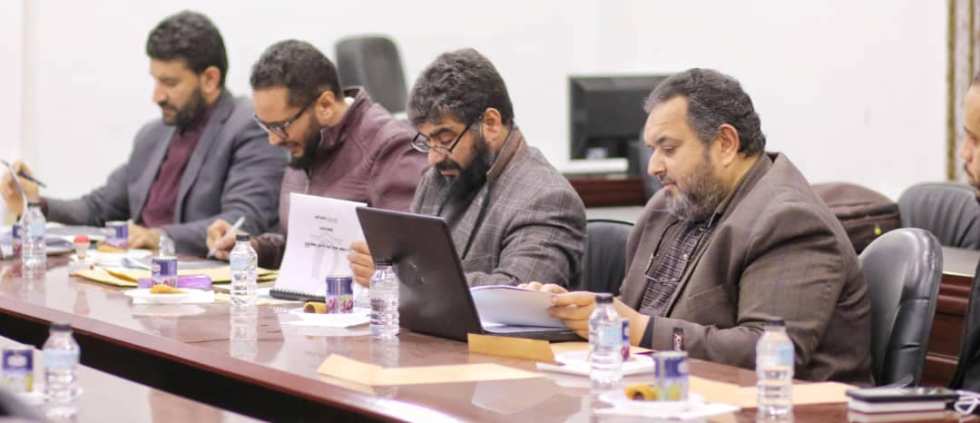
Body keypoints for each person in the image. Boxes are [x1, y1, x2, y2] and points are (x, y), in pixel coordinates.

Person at [526, 68, 871, 384]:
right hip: (668, 395)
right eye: (652, 150)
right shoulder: (667, 207)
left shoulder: (789, 221)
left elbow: (769, 349)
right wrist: (574, 311)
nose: (653, 167)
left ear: (725, 144)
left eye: (668, 149)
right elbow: (632, 313)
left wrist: (639, 328)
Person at [0, 11, 285, 255]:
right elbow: (99, 208)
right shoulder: (154, 134)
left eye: (169, 83)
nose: (157, 96)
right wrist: (35, 203)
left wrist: (157, 236)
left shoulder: (250, 126)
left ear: (210, 79)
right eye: (155, 80)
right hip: (136, 276)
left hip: (198, 283)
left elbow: (242, 221)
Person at [347, 48, 586, 288]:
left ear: (490, 124)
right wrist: (386, 263)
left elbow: (517, 295)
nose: (433, 158)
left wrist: (402, 276)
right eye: (427, 141)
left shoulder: (547, 198)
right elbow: (411, 263)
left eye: (445, 139)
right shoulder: (436, 179)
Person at [206, 40, 426, 268]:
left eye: (280, 126)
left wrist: (381, 269)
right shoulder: (305, 144)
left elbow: (416, 263)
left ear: (325, 105)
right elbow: (303, 248)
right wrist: (252, 248)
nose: (273, 140)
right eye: (266, 126)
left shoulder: (391, 147)